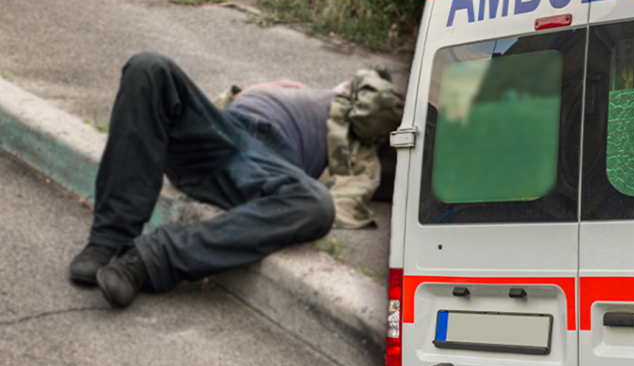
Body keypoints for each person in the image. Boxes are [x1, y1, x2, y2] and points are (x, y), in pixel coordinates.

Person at [68, 52, 397, 309]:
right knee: (149, 66)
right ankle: (106, 239)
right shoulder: (304, 90)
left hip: (262, 161)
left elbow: (381, 112)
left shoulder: (355, 128)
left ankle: (147, 260)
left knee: (317, 205)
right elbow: (241, 93)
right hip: (218, 132)